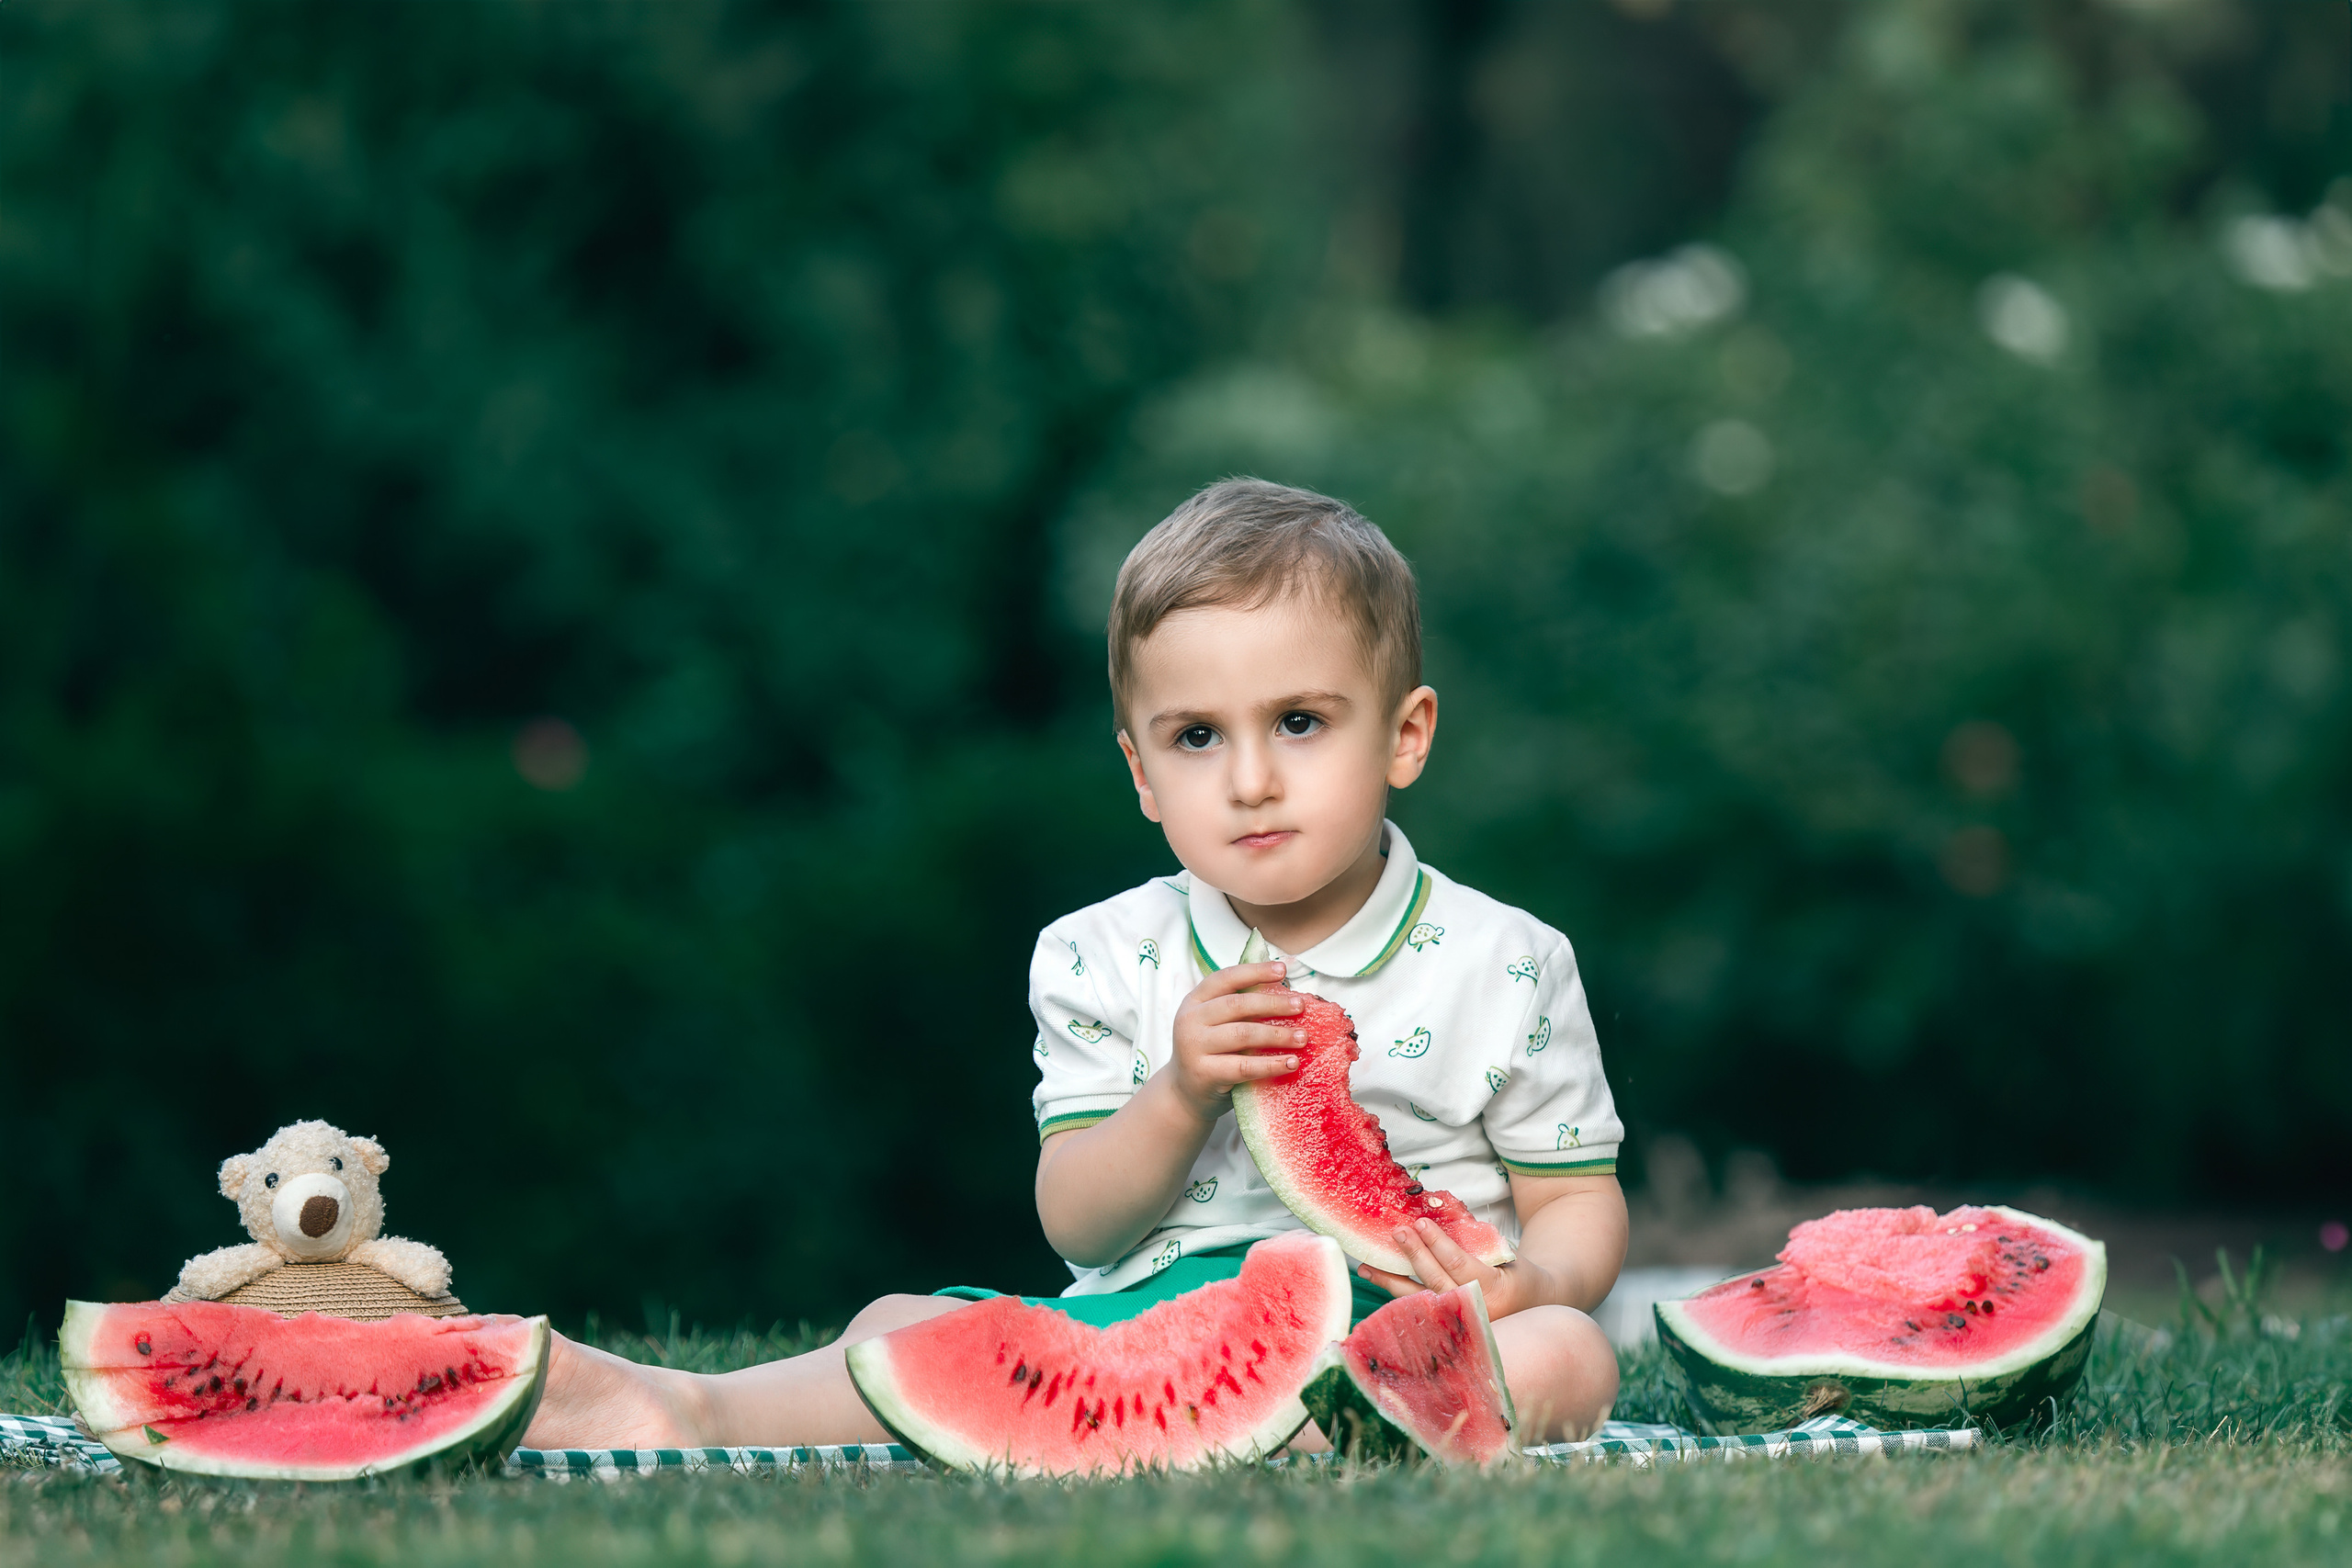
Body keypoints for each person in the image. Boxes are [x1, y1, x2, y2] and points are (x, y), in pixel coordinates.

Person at [521, 479, 1626, 1449]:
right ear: (1140, 774)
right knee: (898, 1330)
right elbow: (1079, 1226)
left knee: (1569, 1351)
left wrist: (1534, 1281)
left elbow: (1576, 1202)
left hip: (1405, 1329)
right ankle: (693, 1407)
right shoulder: (1100, 956)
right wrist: (1182, 1089)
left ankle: (1330, 1427)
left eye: (1298, 722)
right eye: (1196, 736)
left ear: (1404, 735)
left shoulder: (1511, 961)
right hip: (1144, 1320)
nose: (1249, 779)